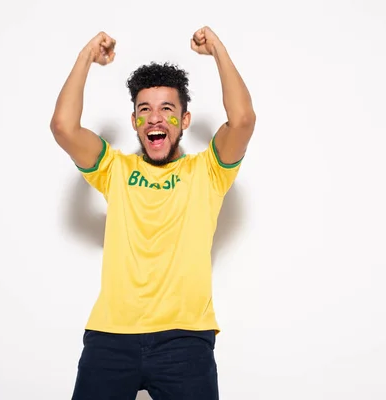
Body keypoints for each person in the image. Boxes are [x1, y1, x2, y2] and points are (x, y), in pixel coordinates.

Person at [49, 26, 256, 400]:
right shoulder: (115, 169)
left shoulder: (208, 171)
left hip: (185, 340)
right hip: (110, 338)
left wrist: (219, 50)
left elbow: (242, 121)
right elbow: (64, 127)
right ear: (135, 123)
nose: (155, 119)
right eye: (145, 110)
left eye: (167, 109)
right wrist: (85, 59)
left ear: (185, 120)